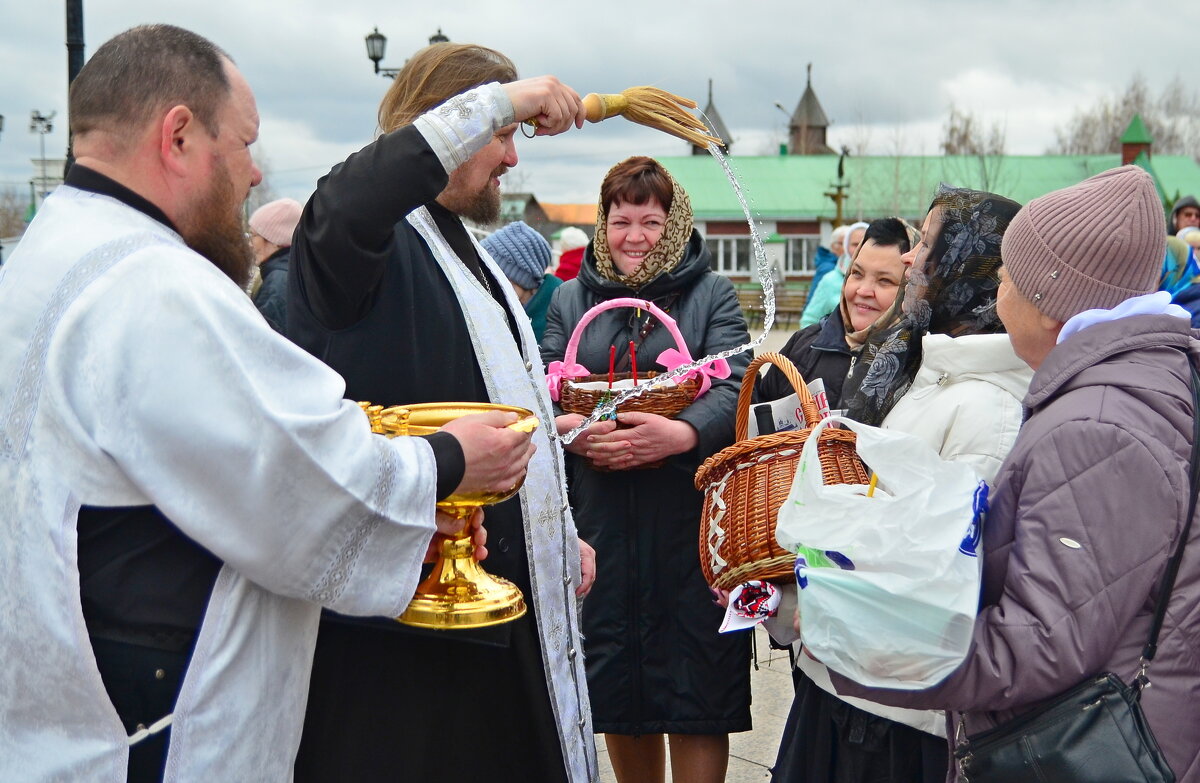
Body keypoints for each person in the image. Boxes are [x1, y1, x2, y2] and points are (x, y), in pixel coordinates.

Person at [0, 24, 534, 782]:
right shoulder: (155, 286)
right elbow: (291, 477)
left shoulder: (43, 255)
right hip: (153, 725)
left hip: (57, 710)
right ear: (178, 136)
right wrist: (446, 460)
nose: (255, 175)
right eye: (244, 144)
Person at [286, 43, 597, 782]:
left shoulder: (472, 252)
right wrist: (506, 100)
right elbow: (342, 205)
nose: (511, 158)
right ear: (441, 128)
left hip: (501, 611)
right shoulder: (371, 238)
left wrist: (557, 532)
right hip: (416, 651)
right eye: (499, 136)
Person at [829, 166, 1200, 781]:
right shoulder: (1136, 384)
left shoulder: (1097, 427)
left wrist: (856, 638)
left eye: (1006, 278)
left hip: (1079, 751)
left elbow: (1040, 644)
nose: (997, 293)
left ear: (1050, 301)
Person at [769, 186, 1031, 783]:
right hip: (840, 683)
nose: (910, 257)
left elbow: (936, 577)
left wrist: (823, 597)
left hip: (888, 716)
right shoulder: (920, 365)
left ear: (970, 266)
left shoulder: (985, 407)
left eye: (930, 242)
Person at [541, 156, 752, 783]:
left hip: (690, 521)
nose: (634, 235)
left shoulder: (710, 293)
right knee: (618, 686)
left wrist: (679, 432)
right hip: (600, 521)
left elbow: (734, 380)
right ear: (603, 223)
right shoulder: (572, 297)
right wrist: (577, 435)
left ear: (676, 223)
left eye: (651, 221)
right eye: (621, 220)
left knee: (698, 693)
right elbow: (549, 385)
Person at [755, 217, 911, 406]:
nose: (863, 291)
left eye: (884, 281)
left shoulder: (916, 363)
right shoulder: (804, 345)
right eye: (857, 274)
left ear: (911, 289)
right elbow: (758, 414)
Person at [482, 220, 562, 342]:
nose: (488, 282)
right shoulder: (506, 310)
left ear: (523, 278)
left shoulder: (557, 317)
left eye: (496, 275)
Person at [248, 196, 302, 331]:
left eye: (253, 236)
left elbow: (262, 342)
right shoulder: (297, 271)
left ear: (274, 240)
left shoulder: (277, 282)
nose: (250, 244)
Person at [800, 221, 868, 328]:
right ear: (846, 247)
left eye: (865, 243)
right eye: (855, 244)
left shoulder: (885, 280)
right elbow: (809, 321)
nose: (860, 248)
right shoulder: (830, 280)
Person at [805, 224, 849, 300]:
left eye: (848, 243)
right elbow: (814, 300)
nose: (847, 247)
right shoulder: (828, 268)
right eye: (843, 243)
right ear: (833, 246)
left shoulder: (841, 265)